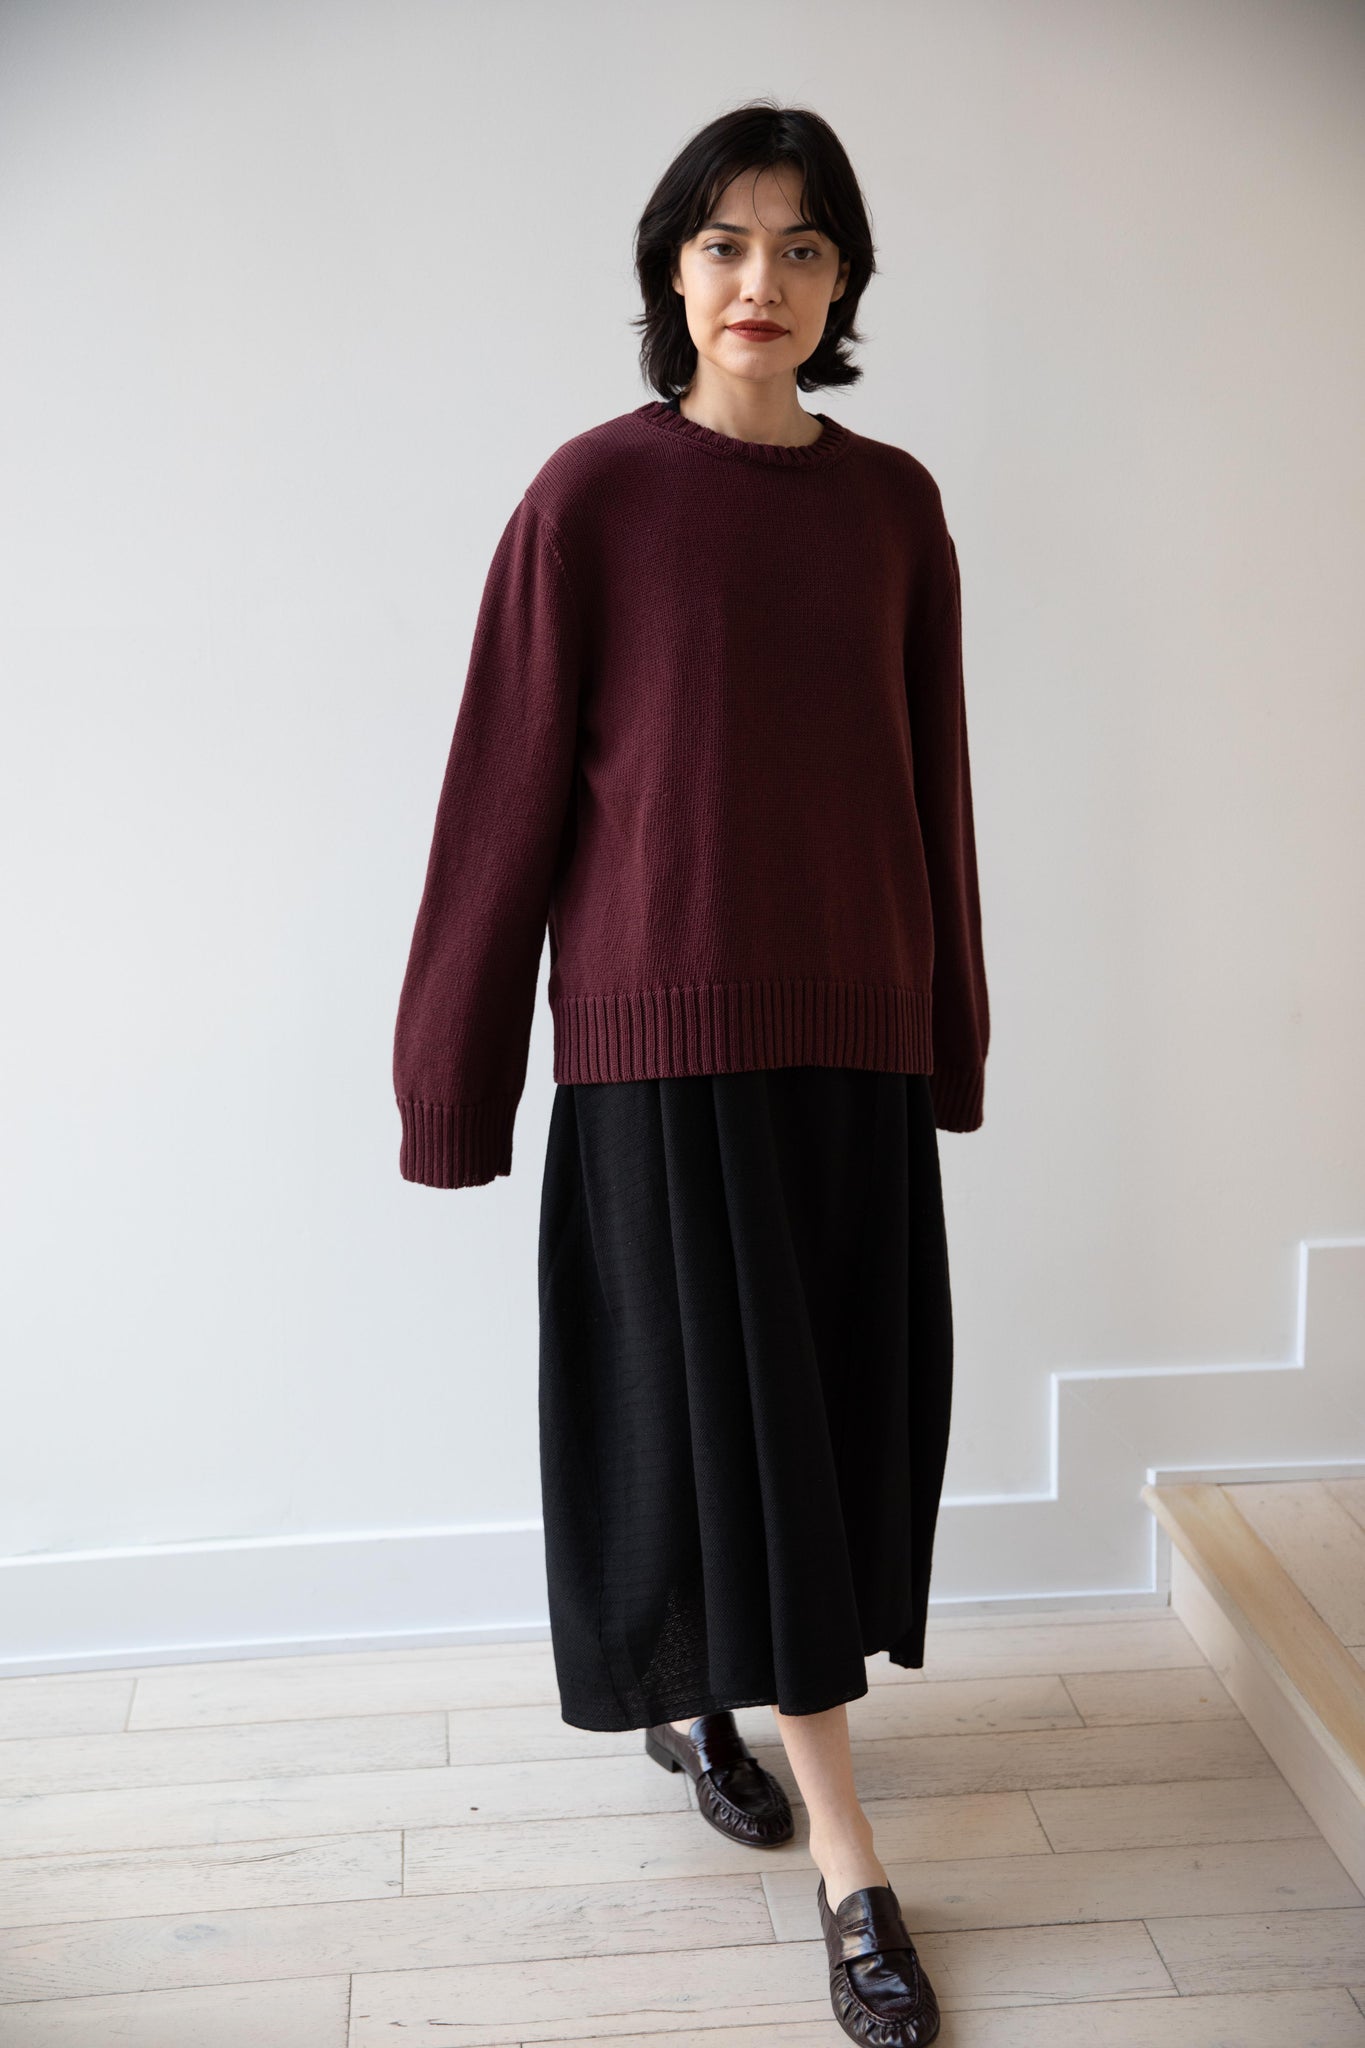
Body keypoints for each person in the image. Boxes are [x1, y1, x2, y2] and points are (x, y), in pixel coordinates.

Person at [391, 98, 989, 2048]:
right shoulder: (591, 497)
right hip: (664, 1048)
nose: (762, 280)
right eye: (727, 242)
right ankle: (852, 1871)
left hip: (852, 1037)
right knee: (731, 1442)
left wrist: (948, 1031)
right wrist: (453, 1080)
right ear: (671, 267)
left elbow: (933, 790)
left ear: (843, 283)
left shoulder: (892, 507)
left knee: (819, 1436)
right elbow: (498, 802)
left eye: (804, 247)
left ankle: (699, 1701)